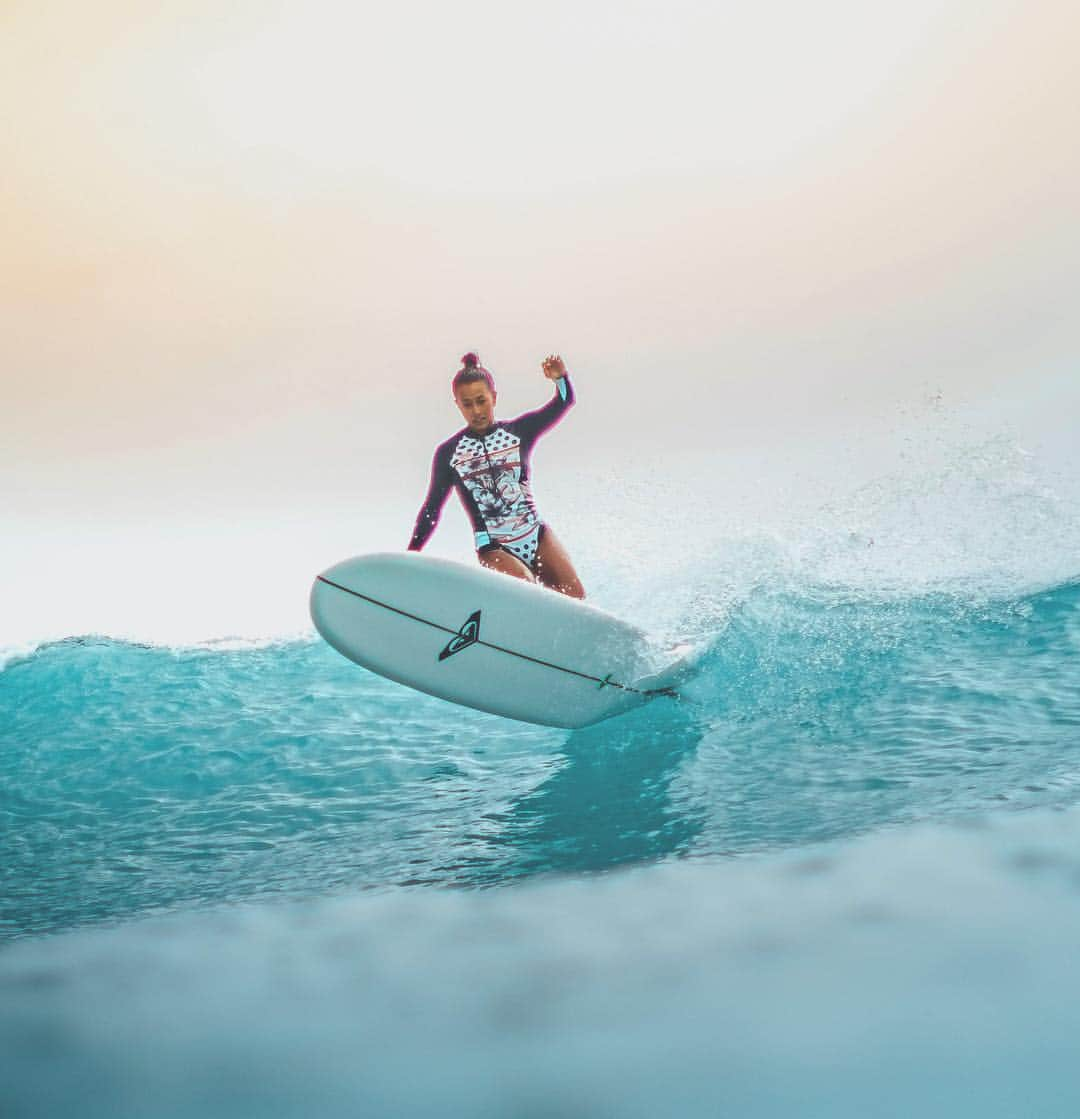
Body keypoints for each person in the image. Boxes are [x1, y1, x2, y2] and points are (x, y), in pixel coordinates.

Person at [408, 351, 585, 598]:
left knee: (575, 597)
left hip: (535, 534)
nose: (476, 410)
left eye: (481, 400)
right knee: (525, 586)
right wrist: (410, 556)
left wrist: (560, 378)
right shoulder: (449, 453)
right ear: (457, 404)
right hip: (493, 547)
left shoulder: (519, 431)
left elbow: (564, 402)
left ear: (494, 397)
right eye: (467, 404)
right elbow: (431, 511)